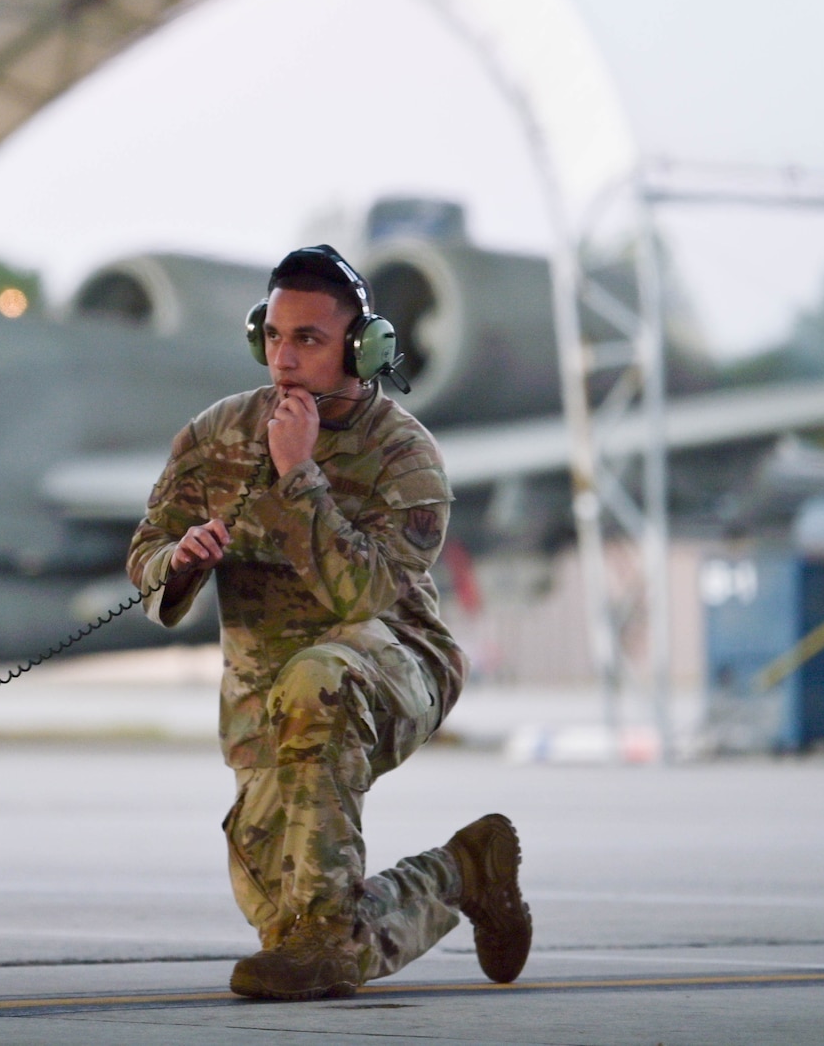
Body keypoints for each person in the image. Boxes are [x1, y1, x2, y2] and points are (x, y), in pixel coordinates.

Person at [127, 245, 530, 1000]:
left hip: (392, 667)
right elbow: (147, 548)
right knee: (299, 928)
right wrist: (178, 561)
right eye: (273, 336)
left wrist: (299, 475)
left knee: (320, 678)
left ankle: (331, 942)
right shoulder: (216, 436)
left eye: (307, 339)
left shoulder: (405, 456)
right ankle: (464, 870)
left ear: (361, 346)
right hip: (263, 701)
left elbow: (364, 596)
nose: (284, 357)